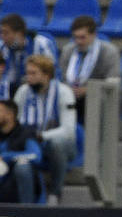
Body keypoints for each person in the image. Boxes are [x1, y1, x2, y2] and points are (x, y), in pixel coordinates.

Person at [11, 56, 76, 202]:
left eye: (33, 73)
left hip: (60, 145)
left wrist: (42, 136)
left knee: (56, 144)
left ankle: (54, 193)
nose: (29, 77)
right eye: (28, 73)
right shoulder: (22, 92)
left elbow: (68, 130)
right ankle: (26, 206)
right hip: (30, 143)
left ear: (46, 75)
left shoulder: (64, 92)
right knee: (21, 164)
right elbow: (14, 123)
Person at [58, 15, 121, 123]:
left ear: (93, 35)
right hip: (72, 94)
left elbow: (112, 81)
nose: (78, 41)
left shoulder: (109, 52)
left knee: (96, 99)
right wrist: (70, 89)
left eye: (82, 37)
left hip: (99, 95)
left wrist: (88, 90)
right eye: (75, 37)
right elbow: (62, 77)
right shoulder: (68, 51)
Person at [0, 14, 57, 99]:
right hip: (11, 89)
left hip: (38, 89)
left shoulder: (42, 45)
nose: (2, 37)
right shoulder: (2, 46)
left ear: (19, 33)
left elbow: (52, 73)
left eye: (6, 33)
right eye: (1, 32)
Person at [0, 99, 41, 204]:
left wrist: (6, 157)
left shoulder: (26, 133)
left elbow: (36, 156)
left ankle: (27, 210)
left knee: (23, 166)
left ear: (10, 115)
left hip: (15, 182)